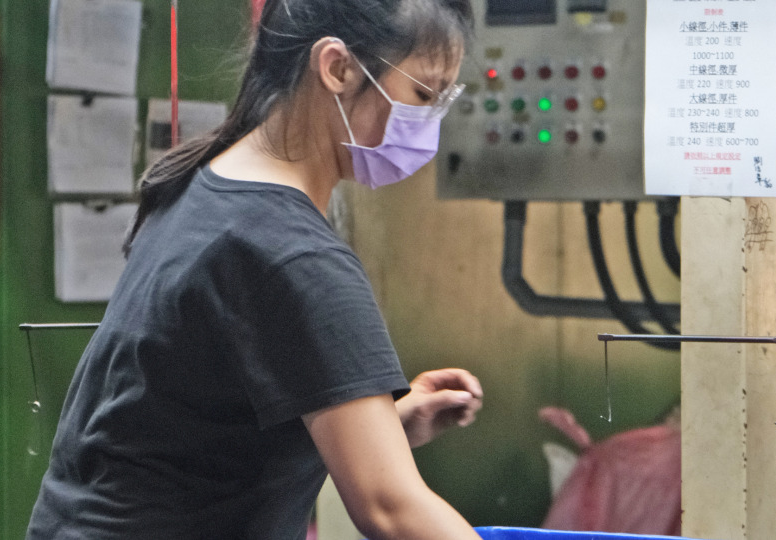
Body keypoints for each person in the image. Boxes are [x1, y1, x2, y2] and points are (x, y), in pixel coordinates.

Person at [26, 0, 483, 538]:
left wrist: (382, 426)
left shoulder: (205, 185)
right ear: (337, 68)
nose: (429, 124)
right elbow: (390, 508)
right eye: (424, 95)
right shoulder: (293, 252)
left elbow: (198, 426)